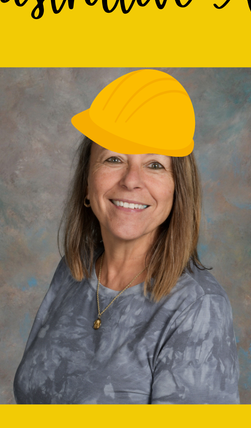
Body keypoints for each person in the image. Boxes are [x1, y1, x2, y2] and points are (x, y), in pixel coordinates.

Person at [13, 69, 239, 404]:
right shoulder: (73, 272)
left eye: (155, 165)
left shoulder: (197, 308)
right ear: (88, 185)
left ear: (178, 190)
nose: (131, 181)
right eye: (114, 158)